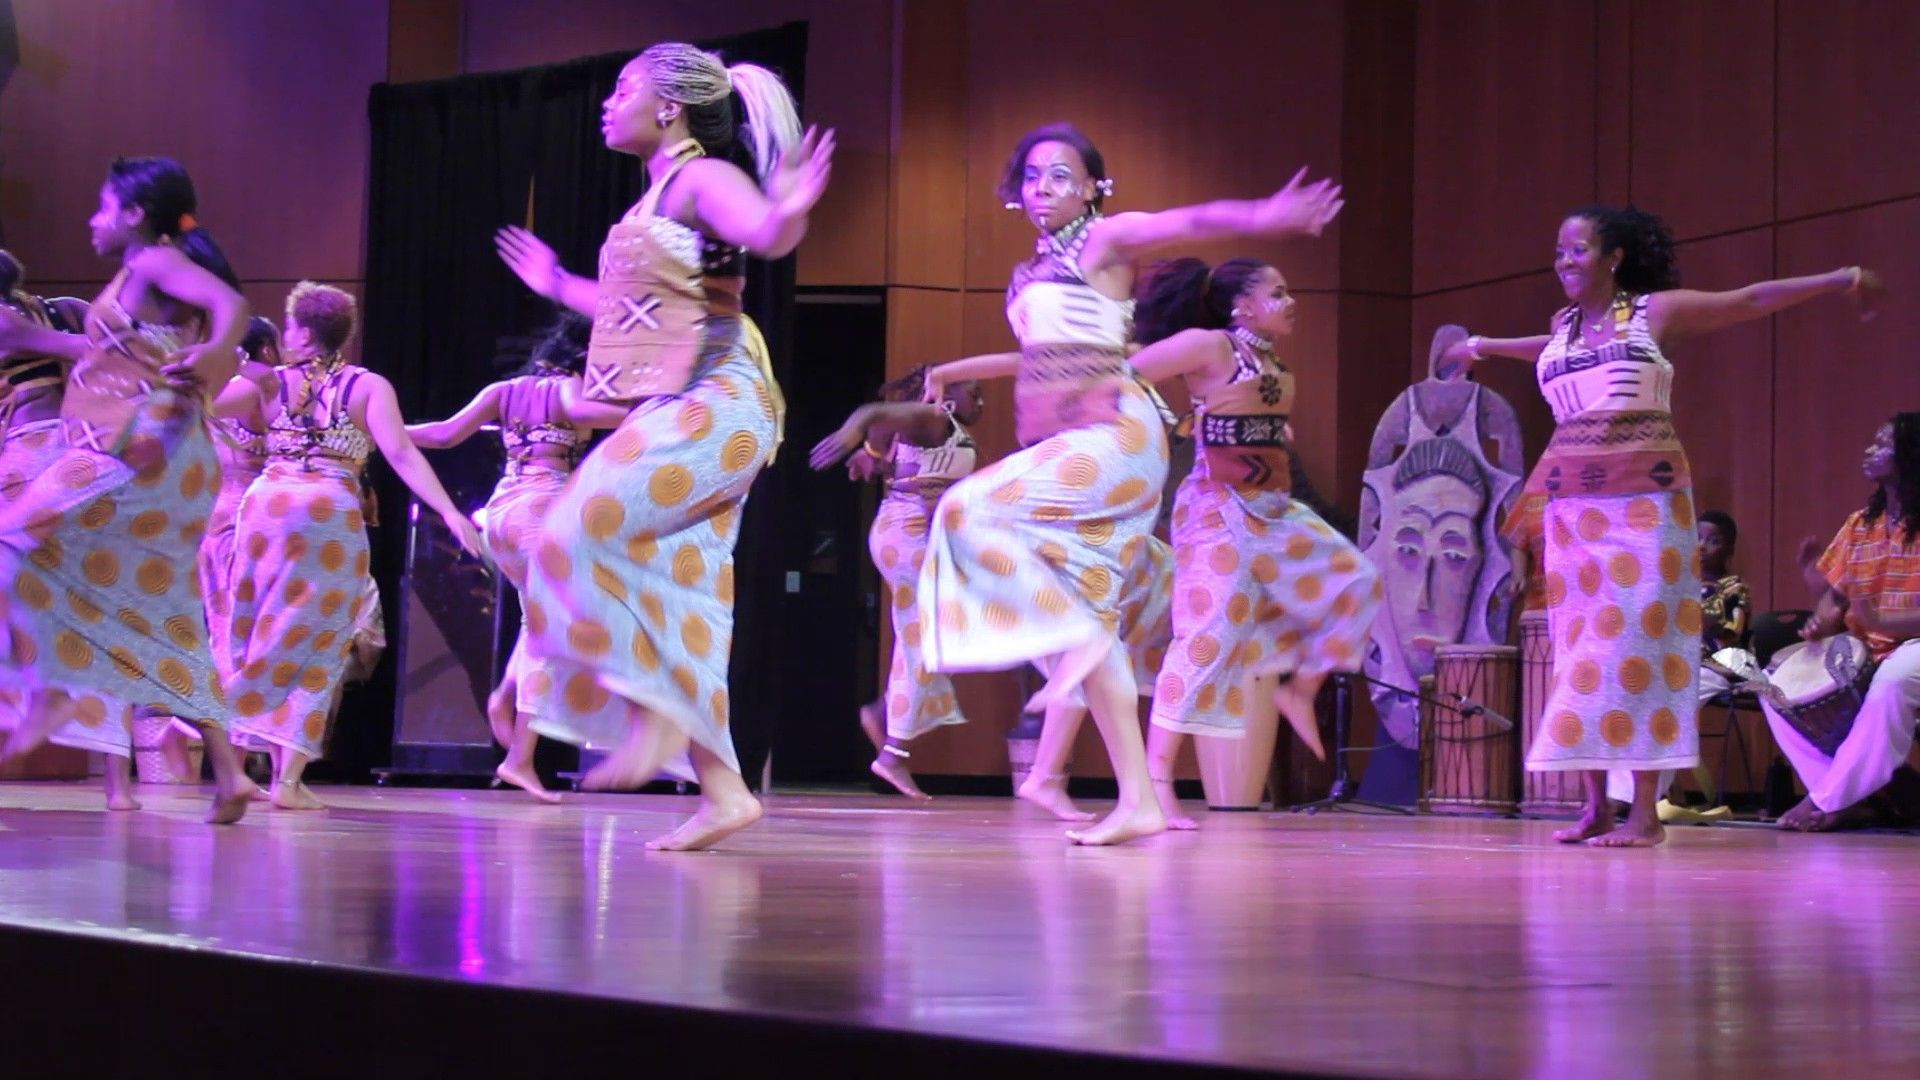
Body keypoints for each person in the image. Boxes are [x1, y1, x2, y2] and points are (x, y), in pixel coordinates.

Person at [913, 122, 1342, 845]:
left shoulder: (1105, 241)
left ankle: (1068, 654)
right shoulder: (1033, 273)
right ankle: (1134, 797)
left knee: (964, 508)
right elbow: (1037, 360)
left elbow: (1190, 220)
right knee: (1093, 628)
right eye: (1031, 176)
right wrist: (955, 370)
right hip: (1069, 441)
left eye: (1060, 175)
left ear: (1092, 186)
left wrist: (1263, 215)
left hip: (1113, 437)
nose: (1042, 187)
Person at [1439, 203, 1884, 846]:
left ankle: (1645, 814)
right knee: (1579, 655)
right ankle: (1594, 805)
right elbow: (1553, 352)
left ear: (1614, 256)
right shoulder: (1563, 327)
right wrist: (1483, 347)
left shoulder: (1655, 315)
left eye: (1579, 249)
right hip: (1572, 513)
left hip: (1646, 511)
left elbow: (1749, 298)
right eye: (1559, 251)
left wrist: (1839, 277)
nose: (1564, 262)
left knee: (1640, 653)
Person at [493, 42, 832, 850]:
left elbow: (765, 234)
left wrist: (788, 208)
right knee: (681, 596)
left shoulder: (705, 177)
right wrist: (556, 286)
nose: (608, 103)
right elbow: (638, 307)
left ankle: (653, 724)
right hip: (682, 399)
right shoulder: (654, 203)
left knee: (575, 530)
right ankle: (724, 791)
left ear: (669, 107)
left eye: (621, 88)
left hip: (720, 396)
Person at [0, 157, 259, 822]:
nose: (92, 220)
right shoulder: (137, 273)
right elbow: (118, 354)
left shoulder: (154, 261)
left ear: (135, 214)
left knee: (15, 538)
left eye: (101, 206)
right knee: (164, 615)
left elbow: (233, 306)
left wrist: (217, 348)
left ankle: (50, 689)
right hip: (165, 453)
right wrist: (34, 337)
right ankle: (229, 776)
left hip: (138, 448)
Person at [1126, 256, 1381, 827]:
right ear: (1243, 305)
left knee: (1358, 579)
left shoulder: (1263, 357)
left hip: (1271, 508)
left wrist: (1260, 424)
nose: (1291, 302)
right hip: (1216, 511)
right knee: (1207, 641)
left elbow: (1251, 411)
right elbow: (1127, 373)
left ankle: (1301, 690)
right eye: (1279, 292)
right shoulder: (1209, 346)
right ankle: (1155, 783)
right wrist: (1175, 422)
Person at [223, 282, 481, 810]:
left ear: (300, 330)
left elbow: (199, 403)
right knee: (318, 639)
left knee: (256, 627)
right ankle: (287, 780)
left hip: (266, 506)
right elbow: (403, 455)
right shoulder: (368, 387)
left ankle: (225, 718)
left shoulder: (265, 382)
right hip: (327, 513)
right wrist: (451, 511)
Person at [408, 312, 623, 801]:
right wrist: (661, 405)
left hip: (502, 512)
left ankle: (504, 699)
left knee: (537, 621)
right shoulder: (570, 391)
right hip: (542, 511)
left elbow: (441, 434)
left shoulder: (501, 392)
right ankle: (520, 757)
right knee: (552, 634)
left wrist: (384, 430)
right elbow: (612, 416)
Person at [811, 365, 984, 800]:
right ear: (943, 390)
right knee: (921, 643)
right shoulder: (935, 417)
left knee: (925, 641)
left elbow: (884, 431)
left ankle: (885, 715)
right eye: (974, 392)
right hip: (909, 538)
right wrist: (853, 434)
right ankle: (893, 753)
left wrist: (869, 450)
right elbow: (873, 411)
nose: (980, 403)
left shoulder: (935, 425)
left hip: (908, 536)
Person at [1768, 415, 1920, 831]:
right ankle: (1846, 795)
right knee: (1773, 687)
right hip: (1869, 644)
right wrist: (1820, 622)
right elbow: (1833, 600)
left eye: (1884, 443)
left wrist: (1880, 619)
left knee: (1894, 678)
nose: (1870, 450)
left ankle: (1828, 799)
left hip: (1914, 647)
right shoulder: (1861, 525)